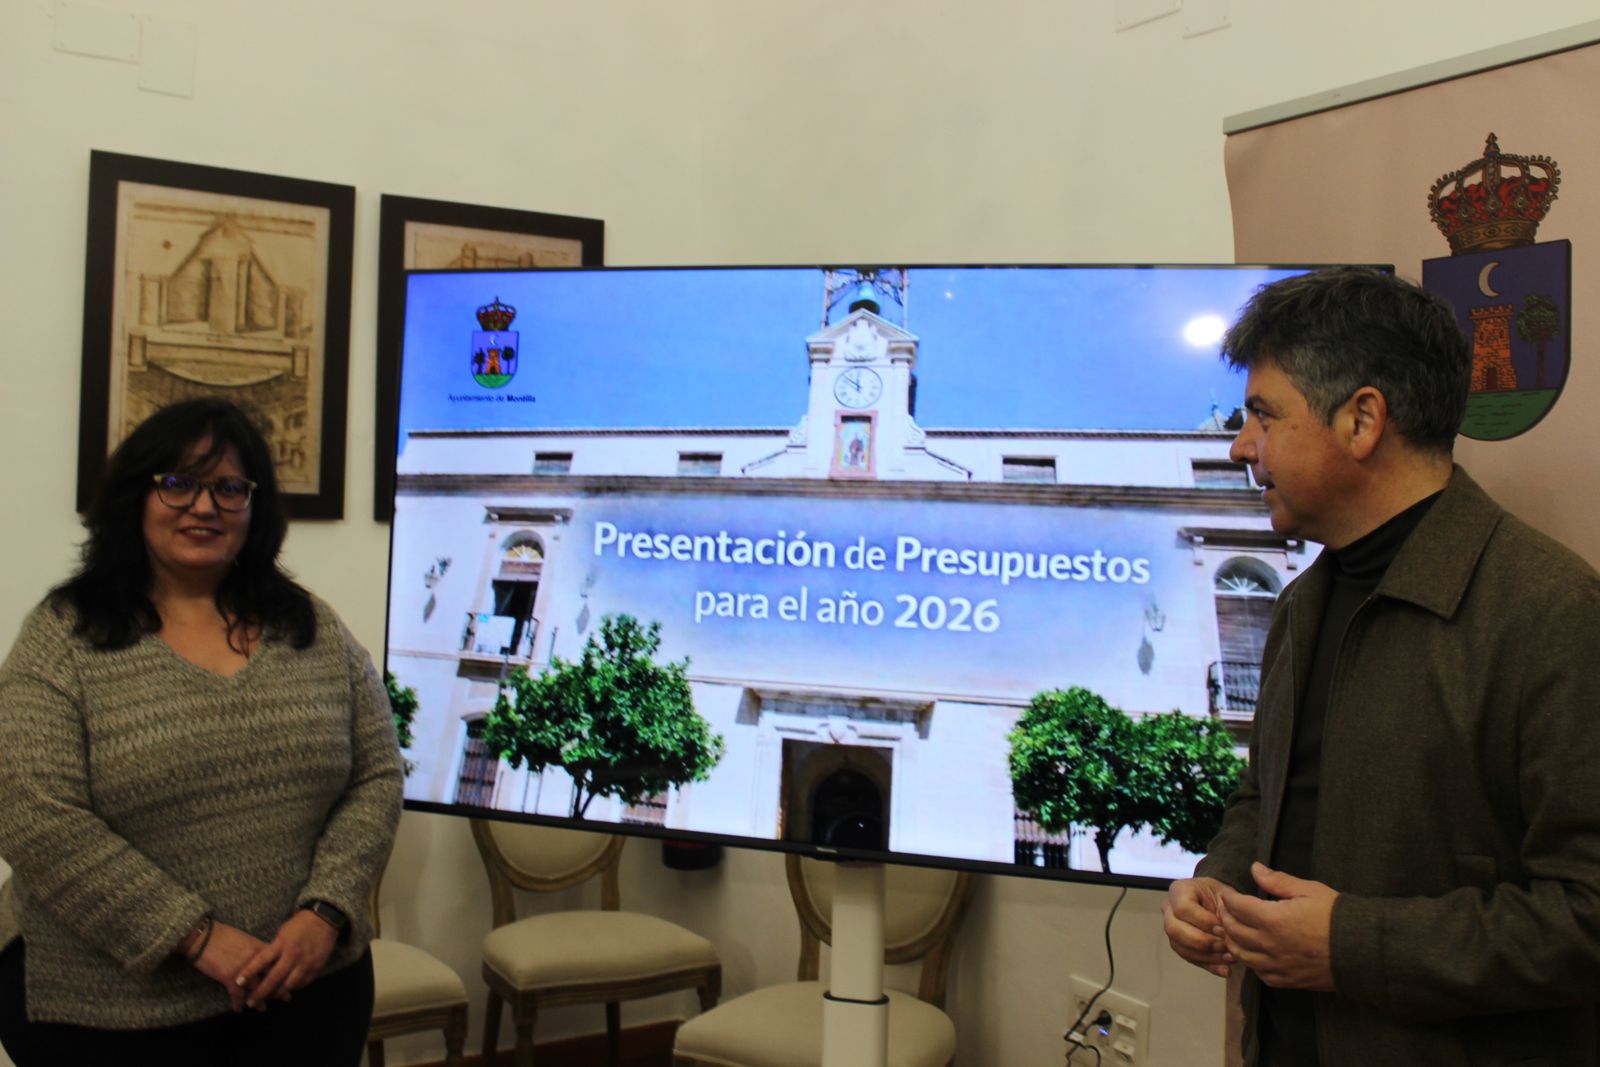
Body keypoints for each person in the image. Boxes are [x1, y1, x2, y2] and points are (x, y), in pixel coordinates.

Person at [1162, 268, 1600, 1066]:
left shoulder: (1554, 611)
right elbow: (1265, 794)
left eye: (1262, 414)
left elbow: (1586, 913)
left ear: (1362, 419)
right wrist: (1216, 882)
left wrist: (1354, 945)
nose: (1238, 447)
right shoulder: (1301, 605)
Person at [0, 398, 403, 1065]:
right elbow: (34, 815)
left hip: (306, 987)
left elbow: (377, 773)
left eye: (229, 487)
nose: (204, 506)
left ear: (256, 506)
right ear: (137, 497)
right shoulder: (63, 636)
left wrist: (326, 911)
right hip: (111, 1012)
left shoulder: (313, 627)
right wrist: (195, 934)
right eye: (178, 482)